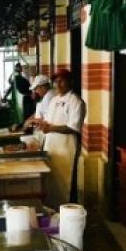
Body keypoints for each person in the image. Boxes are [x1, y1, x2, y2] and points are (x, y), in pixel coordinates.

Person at [34, 69, 86, 206]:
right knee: (52, 182)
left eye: (62, 81)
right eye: (56, 81)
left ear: (71, 82)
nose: (58, 84)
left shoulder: (75, 101)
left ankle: (68, 210)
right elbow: (48, 120)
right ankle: (53, 210)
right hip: (51, 146)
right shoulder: (54, 100)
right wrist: (42, 125)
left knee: (67, 183)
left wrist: (50, 128)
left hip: (66, 148)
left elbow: (73, 127)